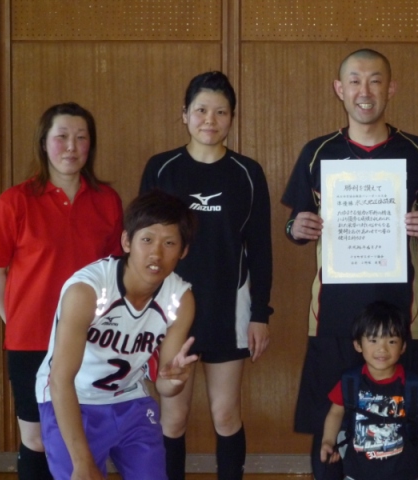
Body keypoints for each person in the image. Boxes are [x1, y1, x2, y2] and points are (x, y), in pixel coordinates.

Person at [281, 48, 418, 479]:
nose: (365, 90)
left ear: (390, 88)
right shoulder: (316, 152)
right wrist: (296, 228)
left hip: (401, 316)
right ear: (339, 89)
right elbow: (294, 224)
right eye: (354, 80)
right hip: (332, 316)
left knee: (399, 427)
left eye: (375, 80)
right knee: (330, 425)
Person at [139, 71, 273, 480]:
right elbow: (142, 241)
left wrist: (260, 315)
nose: (209, 120)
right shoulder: (162, 169)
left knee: (225, 413)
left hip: (228, 308)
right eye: (200, 110)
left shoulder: (248, 173)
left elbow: (261, 248)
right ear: (184, 115)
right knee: (173, 418)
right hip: (168, 311)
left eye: (220, 111)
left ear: (232, 117)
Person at [0, 102, 123, 480]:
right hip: (30, 341)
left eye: (81, 138)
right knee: (36, 439)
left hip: (91, 340)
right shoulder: (14, 201)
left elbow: (114, 271)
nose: (72, 146)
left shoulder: (107, 201)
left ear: (91, 146)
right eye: (62, 137)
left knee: (80, 438)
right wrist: (15, 318)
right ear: (44, 143)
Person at [34, 189, 197, 479]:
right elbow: (59, 379)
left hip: (129, 399)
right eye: (146, 240)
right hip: (72, 399)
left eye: (170, 243)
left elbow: (164, 387)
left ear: (184, 251)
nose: (156, 253)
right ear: (126, 241)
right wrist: (83, 462)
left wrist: (173, 382)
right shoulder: (87, 290)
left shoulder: (180, 299)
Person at [320, 301, 418, 480]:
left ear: (403, 347)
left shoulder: (412, 385)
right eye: (373, 340)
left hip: (403, 472)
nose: (382, 349)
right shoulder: (350, 382)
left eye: (392, 341)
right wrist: (328, 441)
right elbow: (335, 413)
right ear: (358, 345)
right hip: (358, 472)